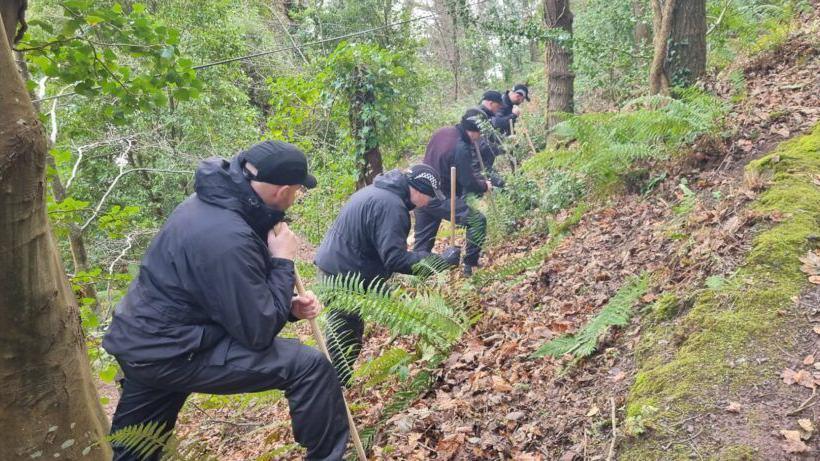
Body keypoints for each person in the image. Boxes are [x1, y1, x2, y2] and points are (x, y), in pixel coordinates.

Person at [102, 141, 349, 461]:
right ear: (282, 190)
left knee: (135, 450)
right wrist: (283, 262)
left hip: (145, 342)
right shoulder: (226, 235)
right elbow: (257, 331)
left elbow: (225, 295)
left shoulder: (213, 204)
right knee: (308, 367)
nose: (296, 197)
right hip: (176, 350)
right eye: (298, 190)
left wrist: (288, 307)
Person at [315, 165, 460, 385]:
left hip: (338, 268)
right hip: (342, 276)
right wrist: (438, 262)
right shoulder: (392, 207)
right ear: (418, 191)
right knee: (344, 338)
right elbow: (395, 259)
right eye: (429, 196)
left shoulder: (377, 192)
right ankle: (334, 390)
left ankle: (337, 386)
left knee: (347, 335)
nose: (429, 202)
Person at [414, 108, 491, 277]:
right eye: (481, 133)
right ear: (474, 131)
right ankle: (470, 266)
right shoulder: (461, 147)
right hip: (440, 197)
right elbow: (468, 181)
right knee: (478, 221)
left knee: (422, 246)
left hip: (419, 193)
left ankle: (418, 279)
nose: (480, 138)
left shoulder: (442, 132)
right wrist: (484, 185)